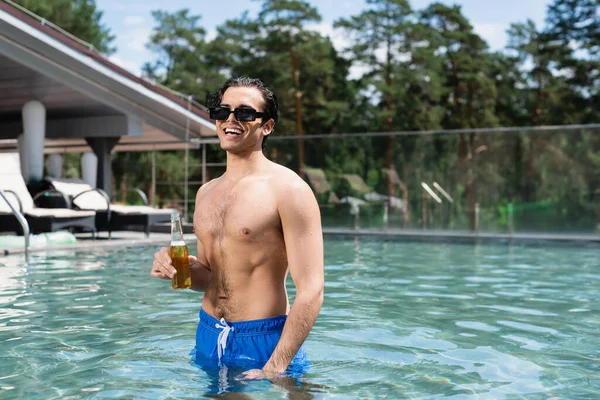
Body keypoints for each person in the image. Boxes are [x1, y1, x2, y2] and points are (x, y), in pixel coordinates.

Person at [151, 77, 324, 391]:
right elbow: (209, 276)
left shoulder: (289, 190)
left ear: (267, 126)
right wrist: (178, 268)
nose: (230, 120)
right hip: (209, 334)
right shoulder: (206, 193)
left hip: (265, 339)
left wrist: (277, 364)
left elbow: (312, 290)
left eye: (244, 113)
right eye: (222, 111)